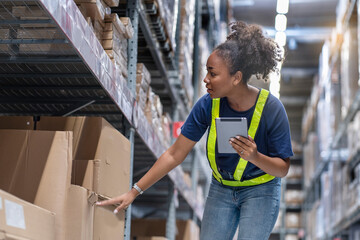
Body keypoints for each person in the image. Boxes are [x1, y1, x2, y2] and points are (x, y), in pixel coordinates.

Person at [96, 21, 293, 240]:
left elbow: (282, 168)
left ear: (236, 78)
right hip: (222, 188)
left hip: (261, 190)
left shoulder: (272, 109)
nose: (205, 79)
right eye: (207, 72)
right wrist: (134, 191)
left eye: (213, 74)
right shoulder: (208, 105)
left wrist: (254, 156)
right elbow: (174, 154)